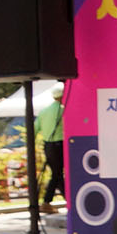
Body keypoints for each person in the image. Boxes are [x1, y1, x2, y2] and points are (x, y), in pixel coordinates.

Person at [35, 82, 66, 214]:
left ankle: (52, 202)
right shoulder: (64, 109)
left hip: (48, 146)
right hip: (61, 145)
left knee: (56, 174)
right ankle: (49, 202)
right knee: (58, 175)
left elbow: (34, 129)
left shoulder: (44, 111)